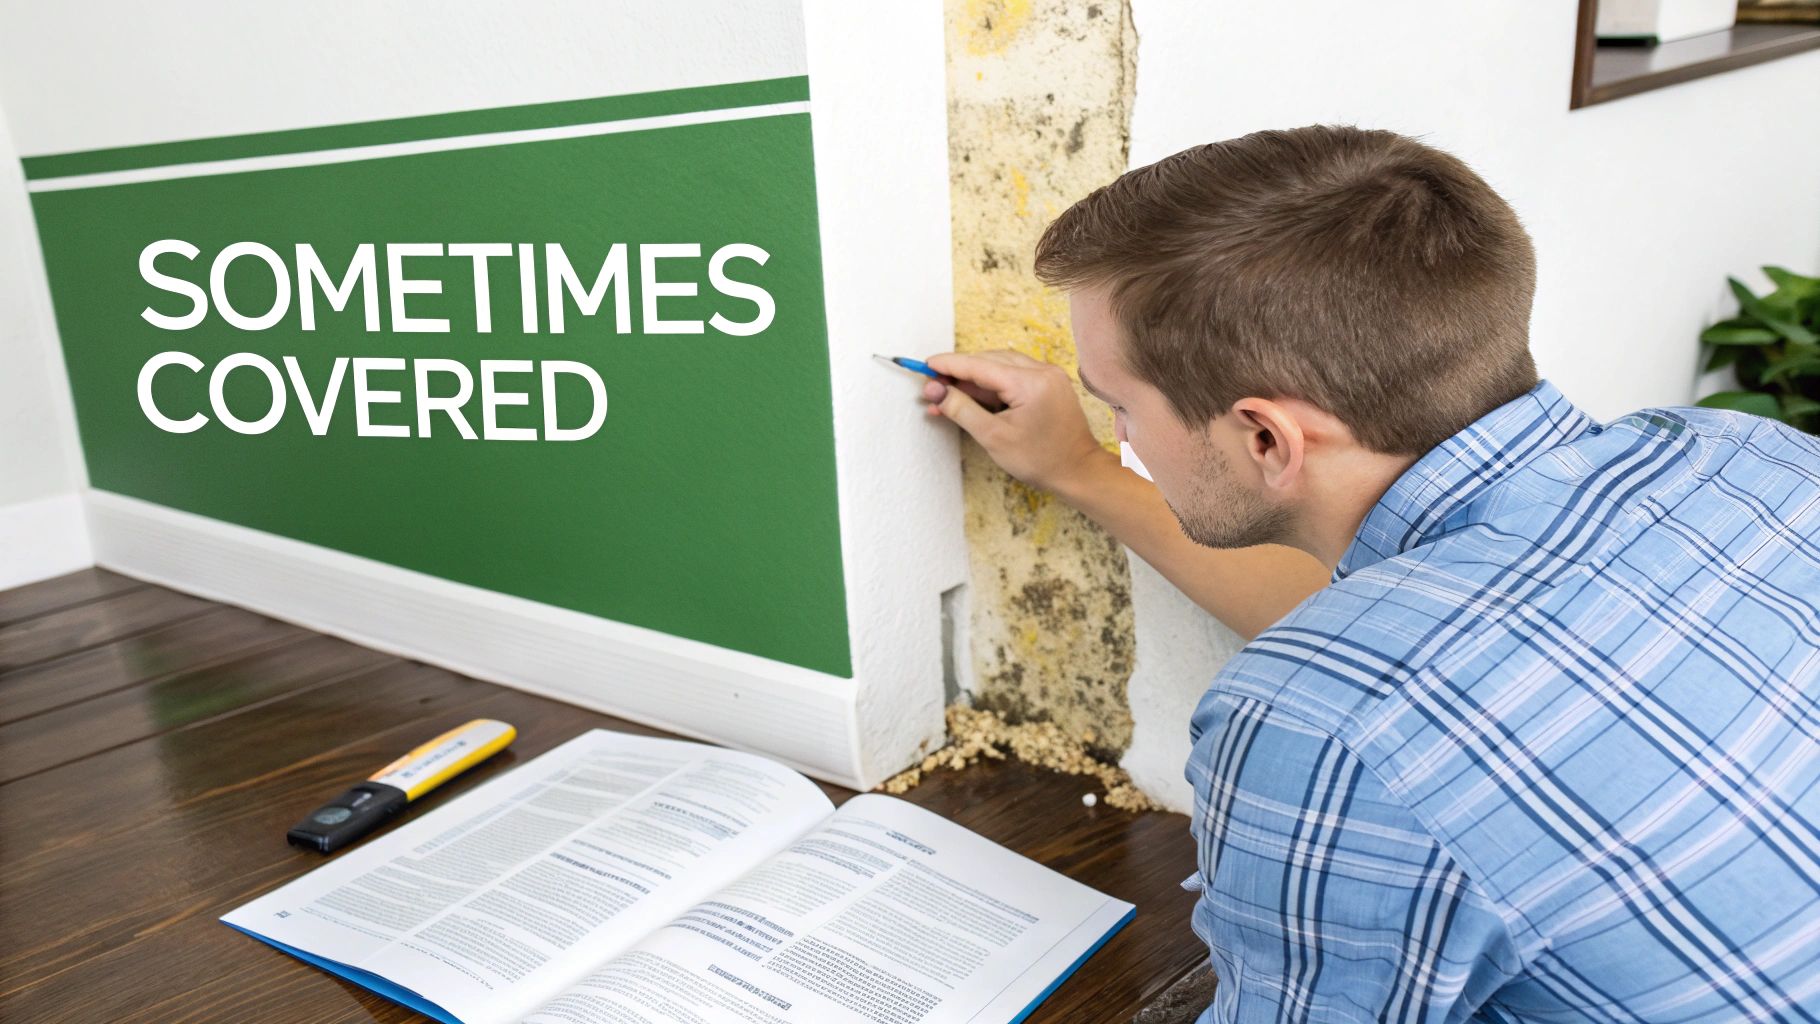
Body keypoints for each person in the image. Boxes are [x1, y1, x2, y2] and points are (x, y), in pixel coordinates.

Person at [918, 126, 1820, 1023]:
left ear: (1267, 437)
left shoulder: (1318, 726)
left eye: (1119, 406)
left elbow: (1361, 699)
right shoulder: (1749, 454)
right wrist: (1081, 470)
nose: (1121, 434)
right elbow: (1399, 644)